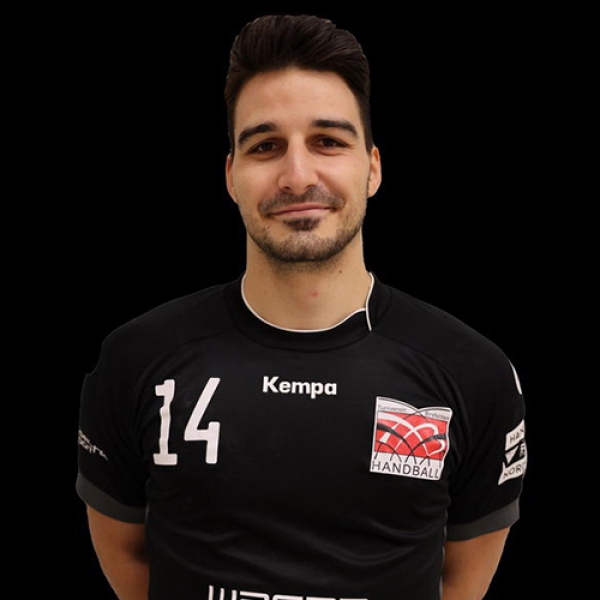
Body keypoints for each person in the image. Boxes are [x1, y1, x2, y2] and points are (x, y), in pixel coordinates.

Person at [76, 14, 527, 600]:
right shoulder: (136, 359)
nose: (296, 175)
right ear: (231, 176)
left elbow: (463, 577)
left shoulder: (473, 372)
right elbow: (126, 554)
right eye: (266, 146)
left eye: (328, 141)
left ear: (372, 167)